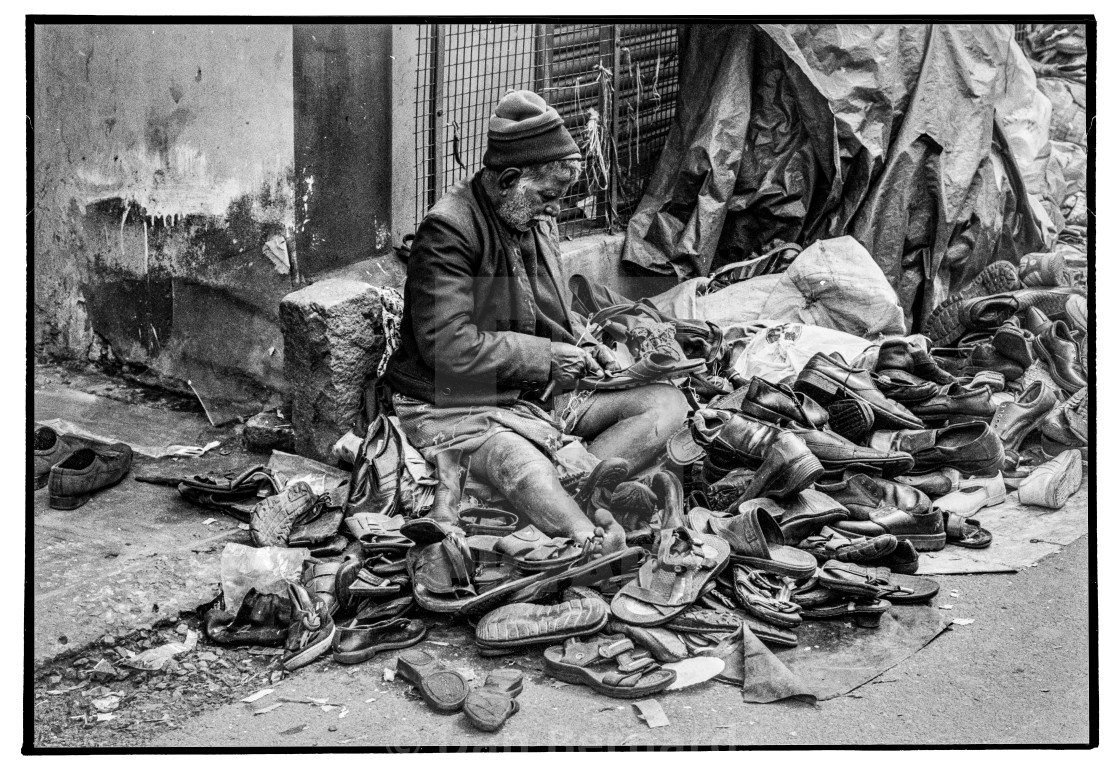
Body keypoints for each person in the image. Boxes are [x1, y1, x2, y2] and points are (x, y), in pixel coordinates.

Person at [386, 90, 689, 553]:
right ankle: (582, 522)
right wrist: (547, 358)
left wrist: (589, 347)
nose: (555, 210)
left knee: (667, 406)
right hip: (453, 401)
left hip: (535, 394)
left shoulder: (532, 216)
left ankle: (564, 482)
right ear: (509, 179)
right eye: (549, 197)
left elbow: (548, 311)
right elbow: (446, 345)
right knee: (517, 458)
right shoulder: (448, 230)